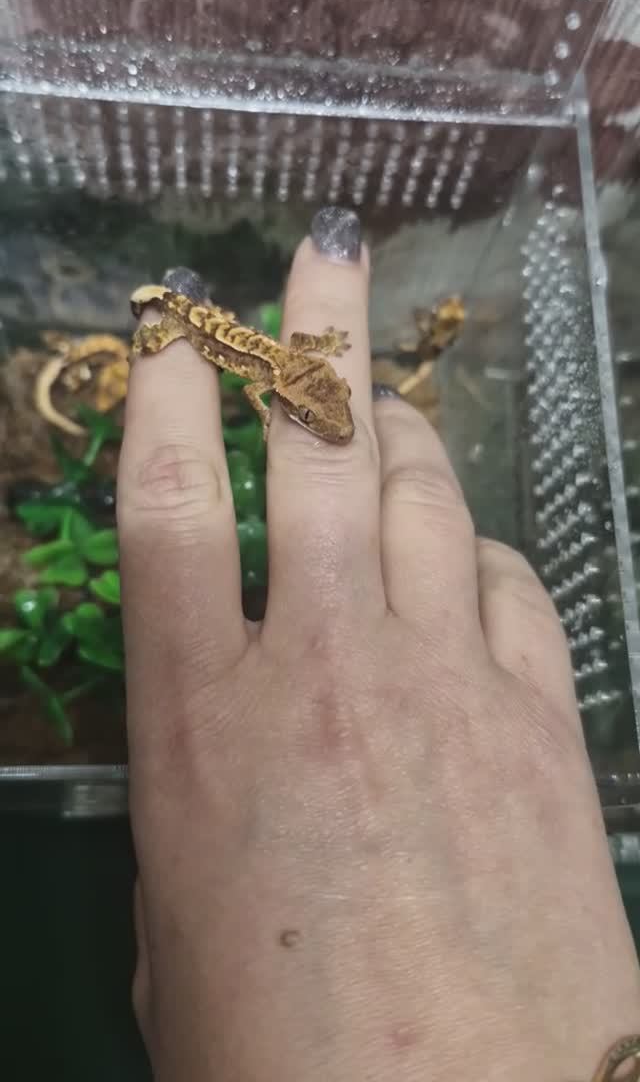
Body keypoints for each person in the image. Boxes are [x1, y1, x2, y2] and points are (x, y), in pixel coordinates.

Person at [116, 206, 640, 1082]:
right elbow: (265, 383)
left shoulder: (292, 379)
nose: (329, 427)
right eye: (312, 417)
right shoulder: (266, 379)